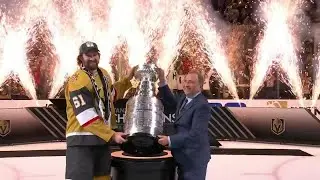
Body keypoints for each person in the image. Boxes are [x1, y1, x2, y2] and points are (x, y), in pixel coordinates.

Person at [65, 41, 137, 180]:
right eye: (88, 55)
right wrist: (112, 134)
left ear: (99, 55)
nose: (92, 58)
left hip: (101, 140)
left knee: (103, 178)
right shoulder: (77, 80)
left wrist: (128, 79)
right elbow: (86, 115)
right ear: (80, 58)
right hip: (81, 141)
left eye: (95, 54)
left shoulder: (103, 74)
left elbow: (110, 96)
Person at [157, 68, 211, 180]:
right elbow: (170, 100)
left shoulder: (202, 106)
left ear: (200, 85)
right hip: (182, 156)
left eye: (191, 82)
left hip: (194, 159)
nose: (186, 84)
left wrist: (170, 140)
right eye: (185, 81)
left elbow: (196, 135)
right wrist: (162, 80)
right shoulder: (184, 98)